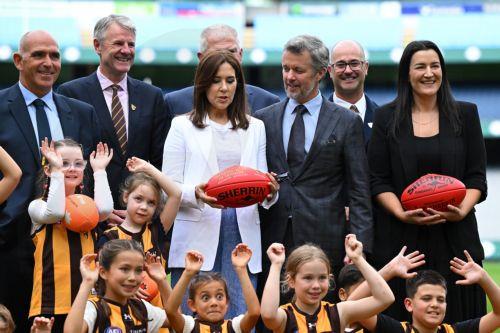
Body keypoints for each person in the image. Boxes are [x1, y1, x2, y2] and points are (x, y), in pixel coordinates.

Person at [368, 40, 488, 322]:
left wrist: (461, 210)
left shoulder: (466, 114)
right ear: (407, 74)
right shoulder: (386, 117)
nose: (428, 73)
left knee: (459, 319)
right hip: (403, 242)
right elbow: (378, 179)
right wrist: (402, 212)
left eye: (435, 66)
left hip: (457, 240)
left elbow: (476, 177)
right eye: (420, 66)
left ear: (442, 71)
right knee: (400, 320)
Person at [162, 50, 279, 318]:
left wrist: (269, 191)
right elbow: (168, 186)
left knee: (239, 314)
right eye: (216, 81)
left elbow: (259, 182)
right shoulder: (181, 126)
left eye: (230, 80)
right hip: (197, 229)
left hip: (242, 230)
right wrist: (197, 194)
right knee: (192, 316)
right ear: (202, 84)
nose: (224, 88)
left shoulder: (255, 127)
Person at [0, 30, 100, 332]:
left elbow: (91, 175)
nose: (48, 63)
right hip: (10, 243)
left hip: (68, 248)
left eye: (54, 56)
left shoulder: (82, 113)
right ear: (19, 60)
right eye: (39, 55)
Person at [254, 35, 373, 282]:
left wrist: (360, 246)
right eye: (286, 69)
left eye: (298, 70)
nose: (289, 76)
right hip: (273, 242)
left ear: (320, 73)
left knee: (326, 318)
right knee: (274, 317)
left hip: (327, 242)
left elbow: (359, 190)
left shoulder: (346, 121)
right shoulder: (263, 119)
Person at [58, 14, 171, 226]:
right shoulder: (71, 93)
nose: (126, 50)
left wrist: (143, 208)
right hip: (88, 217)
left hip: (140, 219)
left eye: (131, 44)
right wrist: (98, 208)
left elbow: (158, 160)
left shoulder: (152, 96)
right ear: (97, 46)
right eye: (118, 43)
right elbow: (71, 161)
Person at [28, 139, 113, 331]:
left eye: (78, 163)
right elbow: (56, 213)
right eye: (64, 163)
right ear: (48, 170)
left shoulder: (90, 208)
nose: (72, 168)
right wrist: (58, 172)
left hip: (88, 302)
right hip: (51, 302)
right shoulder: (37, 206)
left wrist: (99, 171)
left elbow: (106, 209)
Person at [260, 235, 394, 333]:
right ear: (291, 281)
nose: (316, 285)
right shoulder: (286, 316)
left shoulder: (339, 313)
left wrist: (358, 259)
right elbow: (268, 315)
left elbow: (385, 298)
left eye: (322, 278)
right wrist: (276, 265)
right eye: (308, 278)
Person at [97, 156, 181, 310]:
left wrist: (147, 167)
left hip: (160, 320)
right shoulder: (110, 237)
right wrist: (124, 289)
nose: (144, 207)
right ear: (126, 197)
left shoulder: (157, 230)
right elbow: (100, 277)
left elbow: (176, 194)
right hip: (123, 316)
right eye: (138, 199)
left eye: (151, 203)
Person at [358, 251, 500, 332]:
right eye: (426, 298)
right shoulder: (396, 330)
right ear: (409, 304)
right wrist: (388, 270)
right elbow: (354, 304)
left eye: (440, 299)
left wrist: (484, 278)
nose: (435, 304)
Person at [164, 24, 280, 116]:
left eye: (231, 52)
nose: (225, 58)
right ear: (201, 58)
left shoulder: (267, 102)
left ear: (240, 55)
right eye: (217, 53)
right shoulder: (174, 103)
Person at [64, 239, 171, 332]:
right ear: (103, 272)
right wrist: (87, 282)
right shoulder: (94, 308)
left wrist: (162, 281)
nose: (132, 277)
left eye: (139, 270)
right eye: (124, 269)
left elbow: (175, 320)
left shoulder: (141, 308)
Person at [166, 244, 260, 333]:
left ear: (227, 302)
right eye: (205, 298)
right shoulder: (189, 327)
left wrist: (241, 269)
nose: (214, 303)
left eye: (219, 297)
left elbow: (254, 313)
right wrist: (188, 273)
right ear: (192, 305)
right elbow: (171, 310)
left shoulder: (234, 327)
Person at [328, 40, 378, 144]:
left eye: (354, 63)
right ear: (330, 71)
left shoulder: (385, 119)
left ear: (366, 68)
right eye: (340, 65)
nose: (348, 71)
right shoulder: (316, 117)